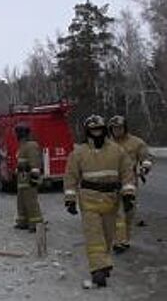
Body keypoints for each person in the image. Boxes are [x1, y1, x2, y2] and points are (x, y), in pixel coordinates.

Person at [64, 115, 135, 287]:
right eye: (92, 130)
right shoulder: (79, 152)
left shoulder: (117, 151)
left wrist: (128, 195)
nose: (96, 133)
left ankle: (103, 262)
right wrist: (70, 199)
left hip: (111, 201)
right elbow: (71, 176)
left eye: (99, 130)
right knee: (94, 236)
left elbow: (127, 173)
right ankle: (97, 270)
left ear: (104, 130)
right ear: (87, 132)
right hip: (89, 201)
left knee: (107, 236)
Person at [108, 115, 153, 253]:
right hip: (111, 182)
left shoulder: (136, 143)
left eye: (120, 128)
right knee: (117, 212)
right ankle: (118, 241)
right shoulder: (106, 143)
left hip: (130, 181)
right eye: (114, 128)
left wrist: (145, 167)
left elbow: (146, 157)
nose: (117, 130)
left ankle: (125, 239)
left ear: (125, 127)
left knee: (129, 212)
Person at [13, 124, 44, 233]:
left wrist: (34, 178)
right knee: (21, 202)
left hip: (29, 180)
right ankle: (23, 222)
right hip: (22, 180)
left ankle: (36, 224)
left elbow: (35, 163)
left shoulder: (31, 145)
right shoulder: (23, 145)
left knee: (31, 202)